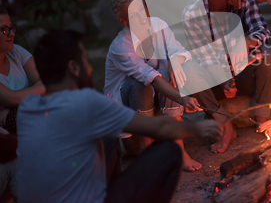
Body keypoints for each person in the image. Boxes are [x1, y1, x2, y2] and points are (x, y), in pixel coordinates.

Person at [16, 30, 221, 203]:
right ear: (74, 67)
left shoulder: (27, 108)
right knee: (169, 150)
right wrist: (198, 128)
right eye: (85, 60)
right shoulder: (85, 102)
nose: (89, 68)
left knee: (107, 136)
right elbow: (162, 129)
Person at [182, 0, 271, 153]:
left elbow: (263, 32)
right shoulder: (192, 14)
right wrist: (226, 75)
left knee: (269, 53)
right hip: (214, 82)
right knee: (188, 68)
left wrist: (246, 41)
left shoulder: (243, 0)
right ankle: (223, 123)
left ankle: (262, 115)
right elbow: (203, 59)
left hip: (241, 74)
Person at [104, 0, 207, 171]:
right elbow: (152, 80)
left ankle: (179, 150)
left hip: (156, 109)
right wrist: (183, 99)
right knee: (139, 83)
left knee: (168, 68)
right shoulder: (121, 47)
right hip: (133, 124)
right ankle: (148, 150)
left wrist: (175, 60)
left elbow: (179, 50)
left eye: (142, 9)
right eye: (134, 15)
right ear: (123, 21)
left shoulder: (158, 25)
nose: (143, 17)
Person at [0, 7, 45, 134]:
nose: (12, 33)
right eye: (4, 29)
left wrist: (9, 110)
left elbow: (48, 80)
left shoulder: (17, 52)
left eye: (11, 27)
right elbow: (13, 98)